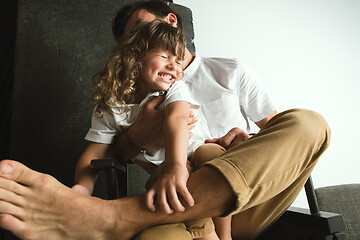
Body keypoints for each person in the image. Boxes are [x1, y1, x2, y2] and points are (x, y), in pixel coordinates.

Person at [0, 1, 331, 240]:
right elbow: (100, 152)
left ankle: (113, 217)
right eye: (132, 44)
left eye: (143, 33)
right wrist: (135, 139)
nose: (139, 45)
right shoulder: (133, 95)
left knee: (309, 124)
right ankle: (111, 216)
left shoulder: (230, 71)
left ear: (171, 22)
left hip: (250, 198)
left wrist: (249, 141)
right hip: (176, 203)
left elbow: (280, 134)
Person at [73, 18, 229, 240]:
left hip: (197, 151)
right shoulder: (112, 105)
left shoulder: (175, 89)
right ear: (136, 57)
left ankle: (226, 235)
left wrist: (176, 165)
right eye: (165, 56)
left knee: (212, 158)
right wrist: (82, 188)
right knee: (176, 186)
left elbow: (177, 118)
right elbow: (94, 153)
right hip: (168, 170)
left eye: (177, 61)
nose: (173, 66)